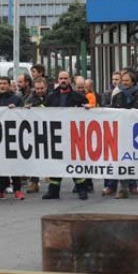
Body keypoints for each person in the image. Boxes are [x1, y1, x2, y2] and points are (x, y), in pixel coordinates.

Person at [43, 71, 90, 200]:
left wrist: (87, 109)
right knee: (56, 163)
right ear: (58, 80)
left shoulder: (79, 97)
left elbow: (89, 114)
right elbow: (42, 113)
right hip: (56, 135)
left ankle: (82, 189)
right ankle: (53, 190)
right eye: (61, 78)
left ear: (70, 80)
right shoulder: (51, 97)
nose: (63, 80)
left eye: (65, 78)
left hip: (74, 135)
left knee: (75, 162)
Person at [107, 71, 138, 199]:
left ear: (133, 82)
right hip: (122, 133)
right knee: (123, 160)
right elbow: (111, 113)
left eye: (127, 80)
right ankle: (123, 189)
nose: (124, 83)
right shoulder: (117, 96)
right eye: (123, 80)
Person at [0, 77, 24, 200]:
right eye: (0, 84)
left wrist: (17, 110)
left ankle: (17, 189)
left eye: (4, 83)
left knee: (14, 163)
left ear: (9, 85)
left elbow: (23, 115)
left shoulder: (16, 99)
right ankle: (0, 190)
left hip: (13, 136)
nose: (2, 86)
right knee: (0, 164)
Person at [23, 77, 49, 193]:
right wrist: (27, 108)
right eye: (37, 88)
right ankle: (34, 182)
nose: (39, 90)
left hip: (50, 130)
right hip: (36, 131)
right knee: (35, 157)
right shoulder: (30, 98)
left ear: (46, 87)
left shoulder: (52, 96)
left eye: (42, 88)